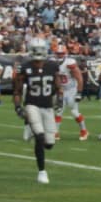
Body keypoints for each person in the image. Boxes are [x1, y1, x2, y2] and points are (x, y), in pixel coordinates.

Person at [12, 37, 60, 184]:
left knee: (49, 144)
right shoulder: (25, 67)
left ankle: (34, 132)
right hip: (32, 105)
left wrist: (60, 99)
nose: (38, 53)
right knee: (39, 137)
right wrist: (18, 107)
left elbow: (58, 86)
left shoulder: (52, 66)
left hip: (48, 107)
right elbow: (17, 90)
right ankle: (42, 172)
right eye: (35, 50)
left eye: (40, 50)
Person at [54, 46, 90, 140]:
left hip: (71, 90)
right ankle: (55, 133)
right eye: (58, 53)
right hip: (61, 90)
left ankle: (84, 131)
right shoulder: (52, 62)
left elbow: (79, 78)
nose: (60, 55)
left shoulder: (69, 63)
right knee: (58, 112)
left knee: (74, 112)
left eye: (61, 53)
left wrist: (79, 92)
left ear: (65, 53)